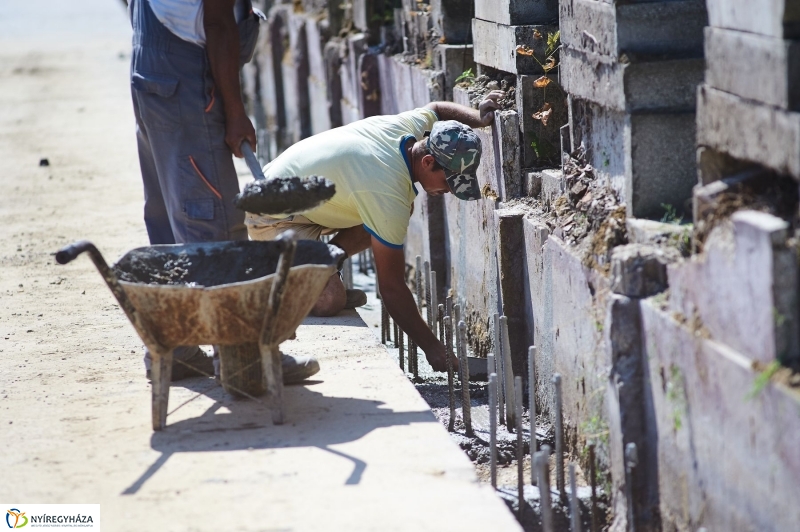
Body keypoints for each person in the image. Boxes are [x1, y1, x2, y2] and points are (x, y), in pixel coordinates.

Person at [246, 91, 505, 371]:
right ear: (428, 162)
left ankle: (321, 265)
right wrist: (434, 350)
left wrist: (478, 118)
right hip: (271, 217)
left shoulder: (410, 130)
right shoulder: (386, 188)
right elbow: (391, 288)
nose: (449, 192)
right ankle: (277, 279)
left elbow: (437, 108)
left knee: (393, 215)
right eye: (449, 182)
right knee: (331, 300)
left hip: (304, 201)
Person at [129, 0, 316, 383]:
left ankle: (176, 349)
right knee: (213, 224)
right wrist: (234, 110)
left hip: (151, 73)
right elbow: (217, 23)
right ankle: (244, 360)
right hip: (185, 81)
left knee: (169, 217)